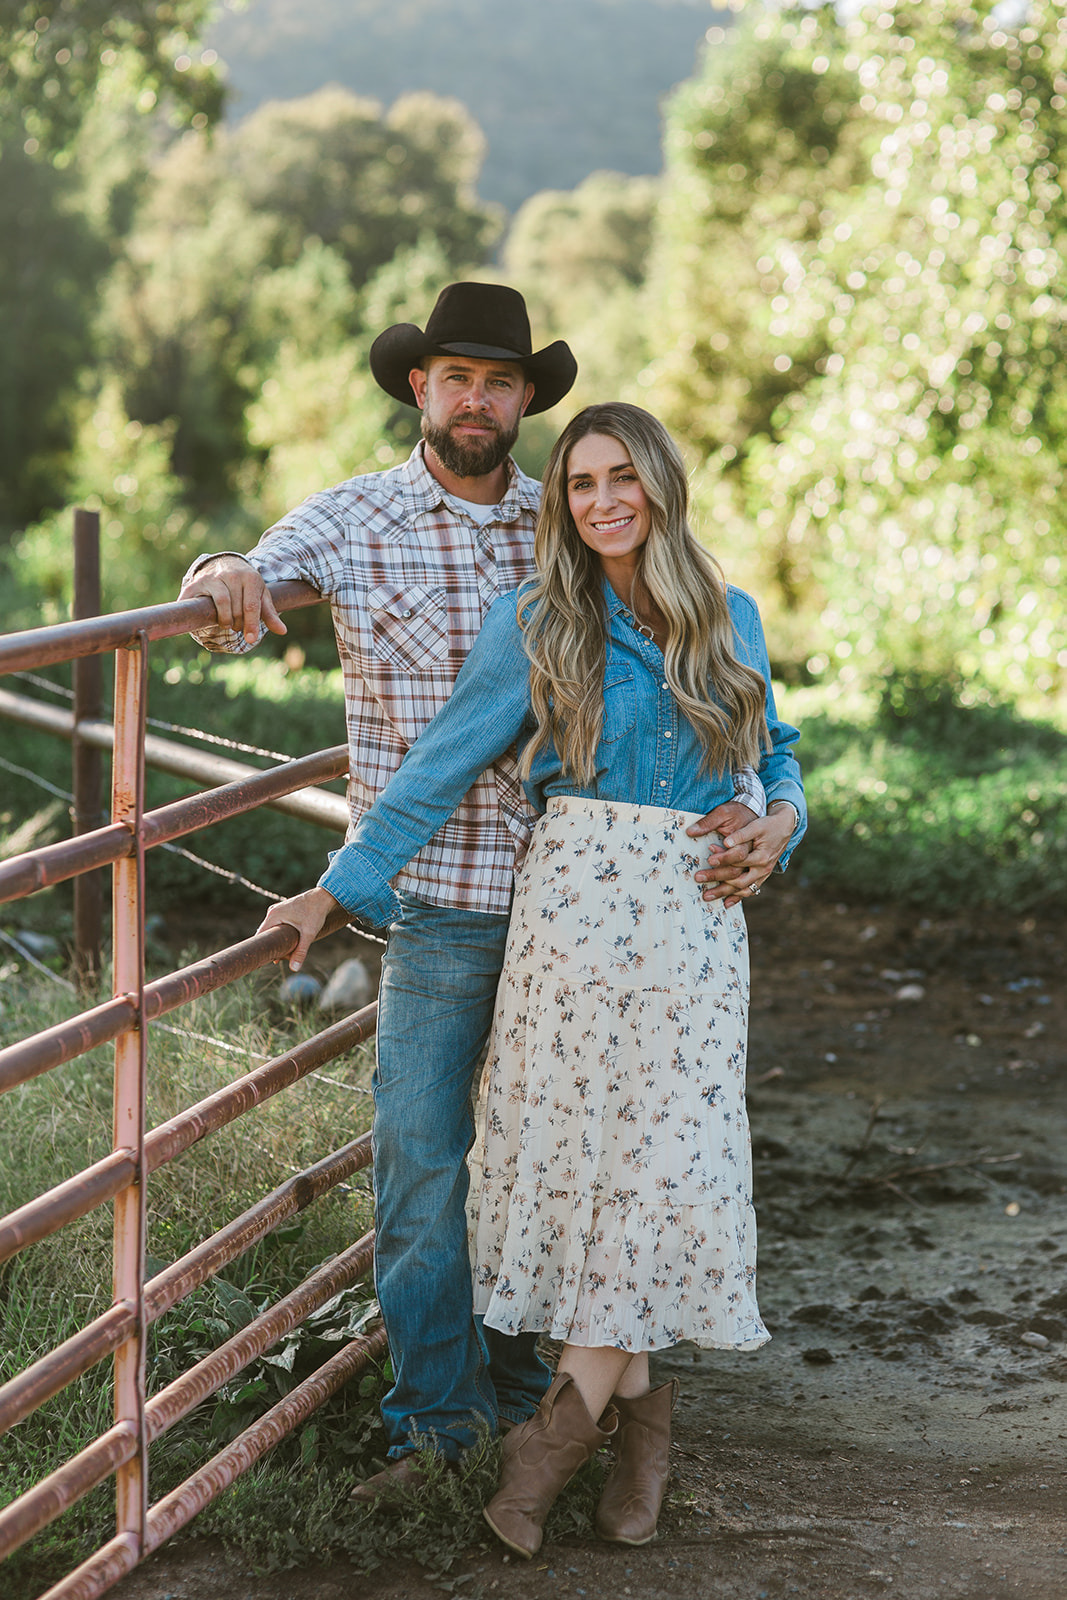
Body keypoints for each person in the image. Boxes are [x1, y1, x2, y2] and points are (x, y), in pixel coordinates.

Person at [178, 288, 768, 1496]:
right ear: (418, 389)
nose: (475, 401)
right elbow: (257, 584)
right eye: (455, 378)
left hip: (575, 909)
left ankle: (529, 1404)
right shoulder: (360, 520)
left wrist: (777, 813)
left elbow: (750, 727)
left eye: (498, 384)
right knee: (423, 1163)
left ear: (523, 405)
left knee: (564, 1161)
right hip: (443, 900)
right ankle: (439, 1429)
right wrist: (220, 566)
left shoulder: (574, 539)